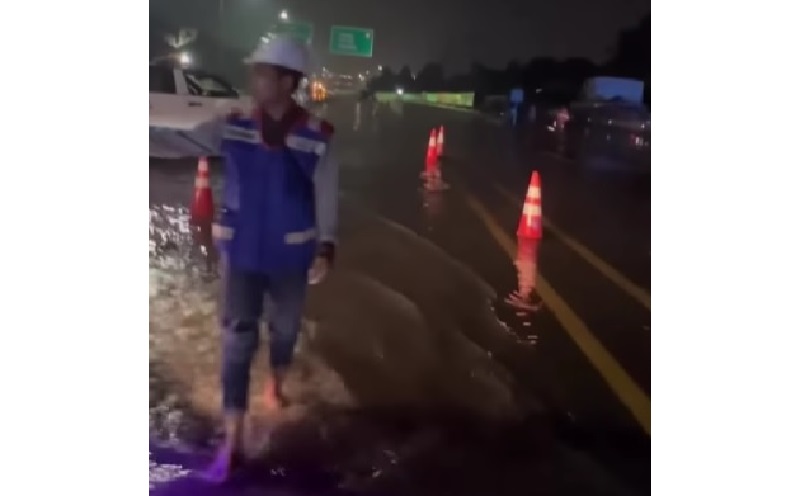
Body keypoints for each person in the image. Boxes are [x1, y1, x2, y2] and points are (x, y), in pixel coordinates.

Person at [201, 36, 338, 482]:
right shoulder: (233, 124)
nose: (254, 79)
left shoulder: (317, 136)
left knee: (285, 329)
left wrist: (326, 245)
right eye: (255, 71)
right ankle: (233, 439)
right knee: (237, 337)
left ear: (287, 82)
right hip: (241, 251)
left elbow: (326, 194)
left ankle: (275, 383)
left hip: (290, 256)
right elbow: (179, 136)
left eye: (263, 73)